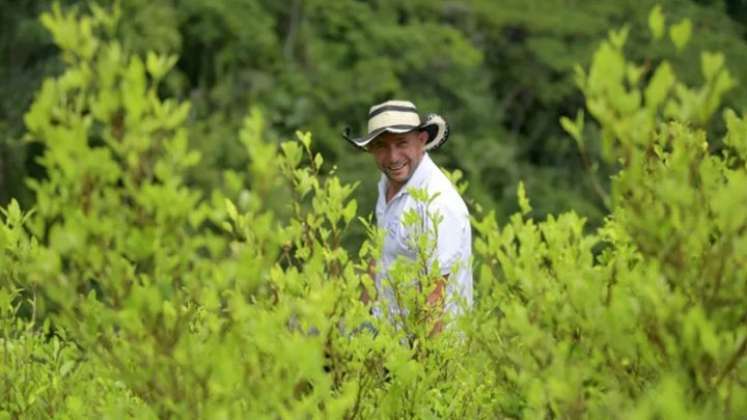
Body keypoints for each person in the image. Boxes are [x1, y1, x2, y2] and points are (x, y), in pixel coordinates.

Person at [343, 99, 473, 333]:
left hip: (429, 352)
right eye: (382, 146)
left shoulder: (438, 202)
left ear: (421, 141)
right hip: (387, 342)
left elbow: (435, 297)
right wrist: (356, 327)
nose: (393, 157)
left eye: (401, 143)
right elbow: (378, 260)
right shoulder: (386, 185)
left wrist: (423, 366)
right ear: (371, 149)